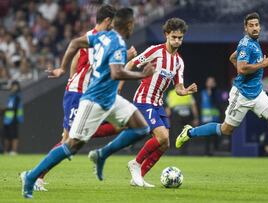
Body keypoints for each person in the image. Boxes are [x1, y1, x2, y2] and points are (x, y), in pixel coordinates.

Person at [21, 8, 155, 199]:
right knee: (70, 142)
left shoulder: (101, 37)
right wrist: (136, 68)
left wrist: (63, 69)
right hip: (86, 95)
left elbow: (77, 48)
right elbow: (111, 69)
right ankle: (34, 176)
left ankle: (101, 154)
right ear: (111, 21)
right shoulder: (106, 40)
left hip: (104, 96)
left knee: (139, 127)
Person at [176, 12, 268, 173]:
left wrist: (252, 66)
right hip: (241, 95)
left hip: (257, 93)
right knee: (226, 130)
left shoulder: (253, 42)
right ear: (245, 28)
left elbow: (232, 58)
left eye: (257, 25)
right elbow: (241, 68)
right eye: (251, 25)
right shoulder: (246, 44)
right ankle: (189, 132)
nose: (255, 28)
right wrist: (262, 64)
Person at [91, 17, 197, 187]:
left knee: (165, 144)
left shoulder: (179, 62)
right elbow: (132, 62)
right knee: (161, 136)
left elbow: (178, 88)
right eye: (174, 37)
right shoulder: (156, 50)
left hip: (157, 103)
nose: (177, 40)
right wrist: (119, 84)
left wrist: (186, 91)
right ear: (166, 35)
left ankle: (138, 176)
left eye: (180, 38)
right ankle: (135, 163)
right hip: (144, 99)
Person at [33, 4, 126, 192]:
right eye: (113, 24)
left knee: (118, 125)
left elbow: (75, 57)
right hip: (78, 94)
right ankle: (36, 176)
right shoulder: (97, 39)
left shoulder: (93, 38)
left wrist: (71, 77)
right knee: (70, 141)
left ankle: (37, 176)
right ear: (107, 21)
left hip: (84, 94)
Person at [166, 88, 199, 155]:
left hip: (184, 116)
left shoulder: (186, 92)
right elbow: (168, 108)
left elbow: (193, 106)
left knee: (186, 133)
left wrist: (196, 118)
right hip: (178, 115)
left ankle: (184, 151)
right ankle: (180, 150)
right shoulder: (172, 93)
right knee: (180, 133)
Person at [200, 77, 222, 155]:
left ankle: (215, 150)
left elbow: (218, 102)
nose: (210, 83)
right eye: (209, 81)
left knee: (215, 135)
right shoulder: (203, 92)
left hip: (215, 118)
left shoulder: (217, 92)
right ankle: (207, 151)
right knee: (206, 136)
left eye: (212, 82)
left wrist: (213, 92)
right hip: (206, 118)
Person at [2, 80, 23, 155]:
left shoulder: (17, 96)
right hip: (7, 119)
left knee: (14, 135)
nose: (12, 87)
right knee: (6, 136)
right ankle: (6, 151)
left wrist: (4, 109)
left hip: (14, 118)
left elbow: (15, 108)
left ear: (17, 86)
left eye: (13, 85)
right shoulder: (11, 96)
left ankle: (14, 151)